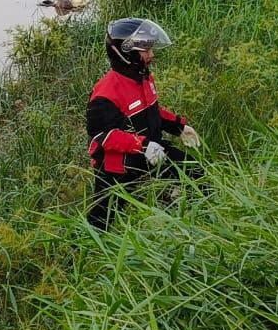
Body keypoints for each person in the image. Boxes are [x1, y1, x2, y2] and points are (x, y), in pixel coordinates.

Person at [86, 17, 201, 230]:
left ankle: (187, 220)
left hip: (151, 150)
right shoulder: (106, 93)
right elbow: (102, 136)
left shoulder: (143, 78)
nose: (151, 55)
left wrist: (179, 126)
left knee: (195, 174)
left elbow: (153, 111)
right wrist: (143, 145)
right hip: (117, 166)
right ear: (126, 53)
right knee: (102, 221)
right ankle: (80, 252)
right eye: (145, 50)